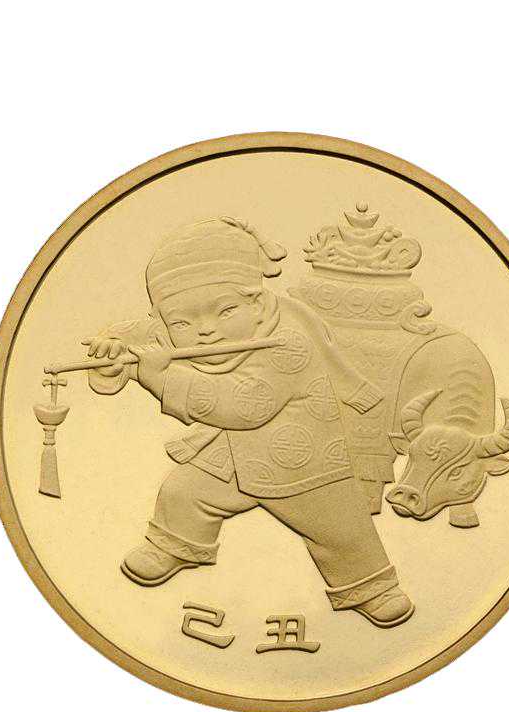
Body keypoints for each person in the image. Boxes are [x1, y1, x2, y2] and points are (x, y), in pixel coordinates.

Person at [85, 217, 414, 628]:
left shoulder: (288, 344)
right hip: (229, 457)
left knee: (341, 530)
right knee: (183, 491)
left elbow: (243, 407)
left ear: (257, 305)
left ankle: (371, 587)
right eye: (182, 323)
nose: (205, 331)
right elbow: (140, 336)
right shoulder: (178, 325)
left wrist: (158, 377)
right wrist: (114, 356)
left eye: (225, 311)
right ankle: (175, 544)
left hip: (300, 460)